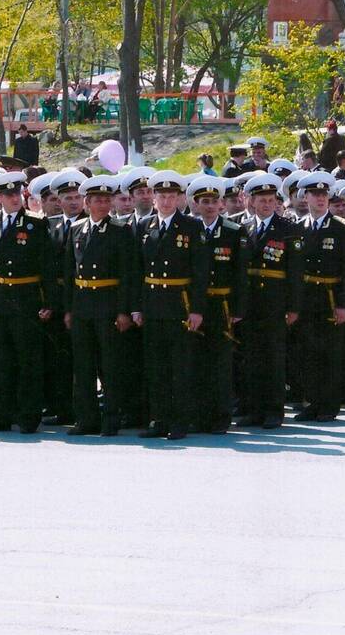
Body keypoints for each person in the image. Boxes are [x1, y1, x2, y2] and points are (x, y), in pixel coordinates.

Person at [0, 171, 56, 434]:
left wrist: (49, 301)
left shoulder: (35, 225)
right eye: (8, 194)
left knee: (28, 361)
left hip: (25, 300)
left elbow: (47, 266)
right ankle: (0, 414)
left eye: (17, 193)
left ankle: (28, 416)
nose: (14, 198)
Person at [134, 170, 209, 440]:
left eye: (171, 196)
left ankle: (180, 421)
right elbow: (136, 271)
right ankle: (159, 419)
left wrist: (197, 309)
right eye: (161, 196)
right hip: (153, 306)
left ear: (179, 199)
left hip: (180, 305)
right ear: (153, 198)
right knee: (156, 367)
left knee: (181, 367)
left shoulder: (191, 227)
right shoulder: (144, 227)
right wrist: (136, 307)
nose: (166, 201)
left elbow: (201, 273)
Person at [62, 176, 135, 436]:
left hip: (108, 304)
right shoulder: (77, 229)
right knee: (83, 366)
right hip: (83, 305)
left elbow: (128, 274)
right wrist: (69, 309)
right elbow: (70, 271)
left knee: (110, 366)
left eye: (107, 200)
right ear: (87, 203)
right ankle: (86, 418)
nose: (103, 204)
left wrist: (123, 310)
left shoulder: (119, 229)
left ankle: (111, 419)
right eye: (97, 200)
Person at [237, 173, 304, 429]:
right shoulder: (245, 228)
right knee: (251, 358)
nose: (266, 205)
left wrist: (294, 306)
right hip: (251, 303)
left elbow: (295, 273)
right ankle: (254, 409)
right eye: (261, 200)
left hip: (275, 303)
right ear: (252, 201)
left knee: (274, 358)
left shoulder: (288, 229)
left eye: (270, 200)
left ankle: (274, 411)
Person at [292, 171, 345, 422]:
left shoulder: (342, 229)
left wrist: (343, 304)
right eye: (315, 194)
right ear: (305, 197)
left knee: (330, 353)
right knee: (308, 352)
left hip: (330, 296)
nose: (320, 199)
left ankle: (329, 405)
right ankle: (313, 401)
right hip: (307, 297)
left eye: (323, 194)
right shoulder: (298, 228)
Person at [187, 176, 248, 433]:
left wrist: (237, 309)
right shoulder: (189, 230)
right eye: (205, 201)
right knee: (197, 362)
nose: (210, 206)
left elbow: (241, 274)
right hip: (195, 306)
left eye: (214, 201)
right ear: (196, 204)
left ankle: (220, 418)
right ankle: (200, 415)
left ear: (222, 204)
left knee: (221, 364)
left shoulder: (234, 232)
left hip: (222, 305)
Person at [42, 169, 87, 426]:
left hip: (81, 301)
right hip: (56, 302)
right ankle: (61, 407)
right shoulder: (52, 226)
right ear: (59, 200)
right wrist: (49, 303)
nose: (72, 202)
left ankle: (81, 408)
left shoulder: (87, 223)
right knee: (58, 358)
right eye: (67, 197)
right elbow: (47, 269)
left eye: (76, 197)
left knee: (82, 359)